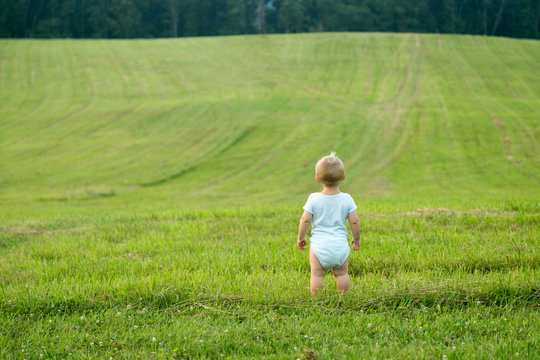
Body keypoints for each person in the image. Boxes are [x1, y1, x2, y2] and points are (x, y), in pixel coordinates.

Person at [297, 152, 361, 297]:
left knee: (317, 276)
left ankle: (316, 300)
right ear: (343, 177)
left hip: (319, 248)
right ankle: (344, 298)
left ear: (317, 179)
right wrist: (356, 239)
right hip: (340, 247)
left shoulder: (313, 199)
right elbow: (355, 221)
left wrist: (300, 237)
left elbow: (305, 220)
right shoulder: (347, 199)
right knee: (342, 274)